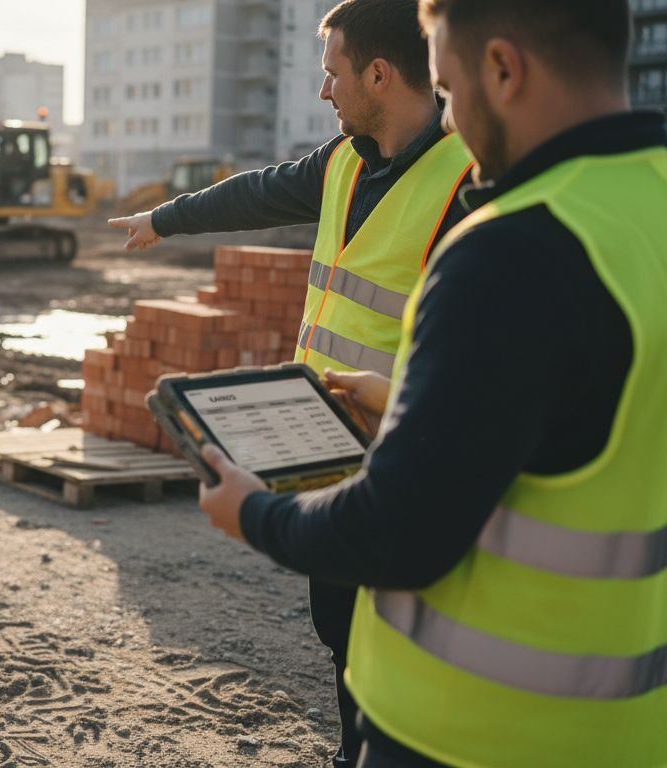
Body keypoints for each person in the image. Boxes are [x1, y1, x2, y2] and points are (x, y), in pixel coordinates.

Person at [196, 0, 667, 765]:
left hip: (469, 732)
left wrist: (254, 514)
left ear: (503, 70)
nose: (449, 126)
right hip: (633, 734)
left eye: (446, 89)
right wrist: (423, 411)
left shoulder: (513, 251)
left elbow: (396, 533)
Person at [112, 1, 474, 763]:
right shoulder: (342, 162)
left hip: (407, 453)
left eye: (332, 74)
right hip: (323, 451)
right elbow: (255, 191)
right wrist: (166, 219)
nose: (323, 92)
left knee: (392, 646)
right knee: (338, 628)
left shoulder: (468, 182)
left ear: (379, 74)